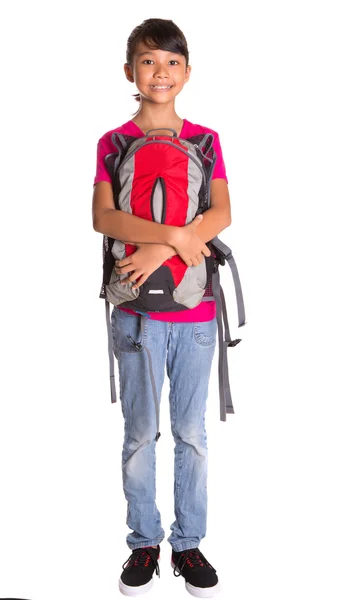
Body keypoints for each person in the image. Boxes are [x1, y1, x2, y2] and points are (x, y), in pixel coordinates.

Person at [92, 17, 231, 598]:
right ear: (130, 71)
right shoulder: (113, 142)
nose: (161, 72)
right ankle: (144, 541)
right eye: (149, 61)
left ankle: (189, 542)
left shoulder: (206, 140)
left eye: (172, 61)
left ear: (188, 72)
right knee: (140, 433)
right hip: (137, 314)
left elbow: (221, 214)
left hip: (195, 314)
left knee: (191, 435)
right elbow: (103, 218)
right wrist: (173, 237)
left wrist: (158, 244)